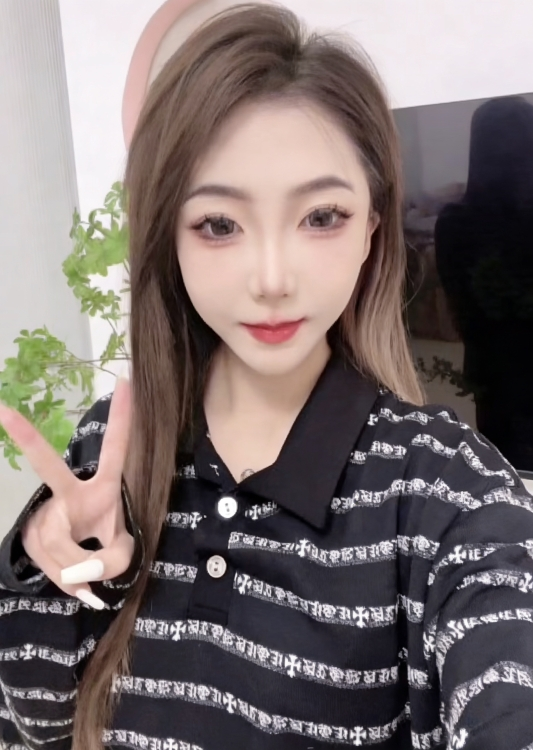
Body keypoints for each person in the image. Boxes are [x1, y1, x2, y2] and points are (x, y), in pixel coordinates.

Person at [0, 4, 532, 750]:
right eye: (219, 224)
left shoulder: (447, 492)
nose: (273, 279)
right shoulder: (114, 444)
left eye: (322, 216)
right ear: (168, 238)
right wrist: (49, 565)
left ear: (372, 227)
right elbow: (36, 726)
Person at [435, 95, 533, 472]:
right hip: (501, 375)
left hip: (490, 376)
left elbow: (461, 308)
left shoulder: (454, 225)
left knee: (505, 476)